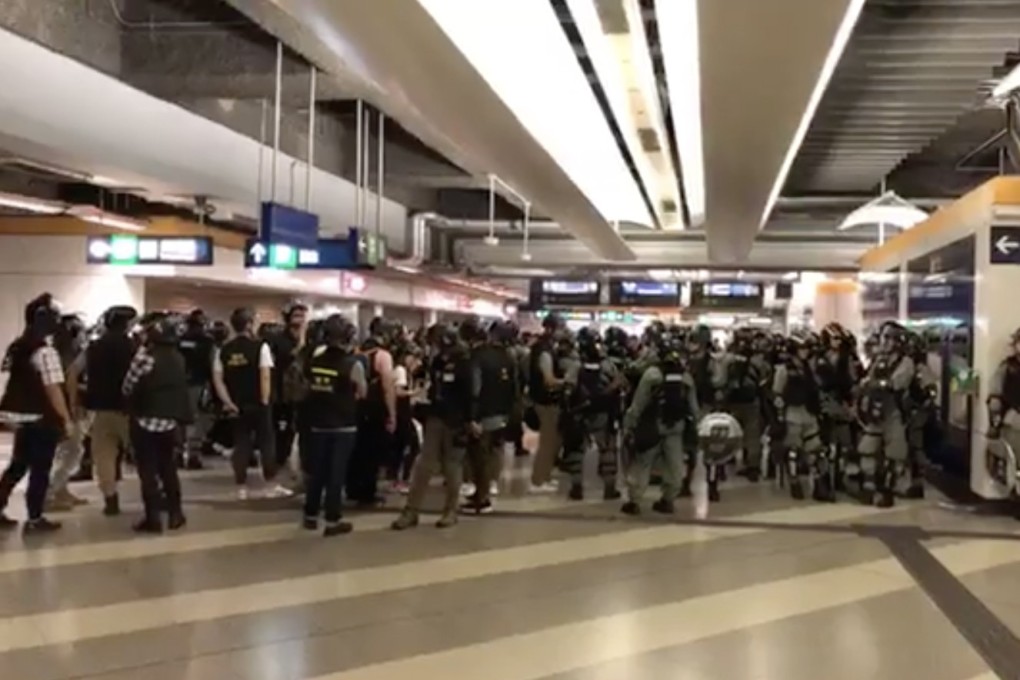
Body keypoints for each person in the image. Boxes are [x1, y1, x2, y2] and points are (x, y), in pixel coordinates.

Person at [0, 293, 72, 532]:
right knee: (40, 469)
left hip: (19, 416)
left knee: (18, 465)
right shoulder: (46, 351)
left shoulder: (20, 345)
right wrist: (66, 419)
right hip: (41, 418)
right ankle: (34, 518)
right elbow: (53, 390)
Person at [392, 324, 473, 530]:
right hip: (436, 416)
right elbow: (429, 381)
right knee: (423, 465)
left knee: (452, 467)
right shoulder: (437, 360)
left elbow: (471, 394)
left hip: (456, 420)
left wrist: (470, 421)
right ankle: (411, 511)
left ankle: (451, 510)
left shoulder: (464, 362)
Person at [122, 315, 191, 533]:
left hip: (145, 419)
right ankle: (176, 513)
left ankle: (153, 519)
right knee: (168, 468)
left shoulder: (145, 357)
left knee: (148, 471)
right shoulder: (178, 358)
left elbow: (128, 386)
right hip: (170, 422)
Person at [213, 307, 290, 499]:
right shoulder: (260, 347)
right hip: (258, 403)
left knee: (241, 444)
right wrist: (264, 400)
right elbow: (265, 375)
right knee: (266, 443)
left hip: (236, 404)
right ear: (249, 324)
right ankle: (270, 484)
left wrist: (227, 401)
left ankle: (241, 486)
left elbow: (218, 379)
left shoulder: (223, 350)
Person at [621, 331, 699, 515]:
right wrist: (695, 428)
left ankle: (634, 502)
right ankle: (668, 500)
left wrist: (629, 425)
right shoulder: (685, 377)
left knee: (643, 464)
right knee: (675, 466)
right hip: (676, 428)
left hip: (652, 426)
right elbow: (694, 408)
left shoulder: (651, 374)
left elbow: (638, 403)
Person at [70, 304, 138, 516]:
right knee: (144, 455)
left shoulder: (93, 347)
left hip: (100, 410)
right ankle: (155, 496)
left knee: (104, 457)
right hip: (130, 410)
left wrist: (75, 403)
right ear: (128, 324)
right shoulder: (135, 347)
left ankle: (110, 499)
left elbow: (71, 373)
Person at [302, 314, 365, 536]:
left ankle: (310, 514)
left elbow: (308, 386)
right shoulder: (353, 365)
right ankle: (332, 519)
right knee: (336, 474)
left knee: (316, 472)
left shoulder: (314, 362)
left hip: (318, 424)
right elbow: (362, 392)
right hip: (343, 425)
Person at [461, 319, 519, 514]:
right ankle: (488, 488)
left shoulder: (478, 356)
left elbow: (475, 389)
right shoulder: (509, 357)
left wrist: (472, 417)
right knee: (495, 452)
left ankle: (482, 498)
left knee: (479, 457)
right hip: (502, 413)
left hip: (483, 413)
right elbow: (514, 388)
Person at [856, 322, 915, 507]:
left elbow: (898, 383)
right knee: (867, 448)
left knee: (895, 453)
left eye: (890, 339)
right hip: (875, 410)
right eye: (885, 338)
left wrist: (880, 384)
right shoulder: (878, 359)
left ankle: (887, 490)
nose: (886, 342)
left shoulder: (905, 362)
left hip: (893, 410)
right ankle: (868, 487)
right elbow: (868, 379)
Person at [348, 316, 397, 507]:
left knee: (357, 450)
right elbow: (387, 387)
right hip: (375, 409)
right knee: (373, 453)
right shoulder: (383, 356)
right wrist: (392, 414)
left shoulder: (357, 350)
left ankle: (352, 488)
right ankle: (368, 492)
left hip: (356, 408)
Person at [773, 333, 827, 502]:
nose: (805, 352)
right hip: (792, 414)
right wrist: (780, 415)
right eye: (801, 348)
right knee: (793, 450)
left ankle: (819, 484)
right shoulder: (784, 370)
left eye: (806, 348)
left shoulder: (809, 368)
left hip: (810, 413)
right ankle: (794, 482)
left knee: (816, 450)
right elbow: (777, 393)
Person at [45, 313, 89, 511]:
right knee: (71, 450)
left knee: (69, 450)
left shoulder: (57, 352)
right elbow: (70, 381)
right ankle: (51, 492)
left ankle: (61, 489)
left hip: (59, 407)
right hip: (67, 408)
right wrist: (72, 410)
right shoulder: (71, 356)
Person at [528, 313, 567, 492]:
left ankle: (545, 476)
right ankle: (538, 480)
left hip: (546, 400)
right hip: (545, 402)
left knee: (551, 442)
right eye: (560, 328)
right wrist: (566, 381)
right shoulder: (544, 350)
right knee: (547, 442)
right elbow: (548, 379)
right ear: (550, 328)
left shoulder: (546, 347)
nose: (563, 331)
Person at [270, 301, 308, 481]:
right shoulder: (278, 339)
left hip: (300, 391)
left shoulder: (308, 338)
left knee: (296, 429)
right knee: (281, 429)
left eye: (302, 316)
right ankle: (278, 461)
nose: (300, 320)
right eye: (296, 316)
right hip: (281, 391)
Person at [178, 309, 215, 470]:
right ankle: (193, 455)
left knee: (180, 420)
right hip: (199, 384)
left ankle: (177, 453)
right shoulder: (207, 342)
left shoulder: (179, 340)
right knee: (199, 420)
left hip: (179, 385)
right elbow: (212, 365)